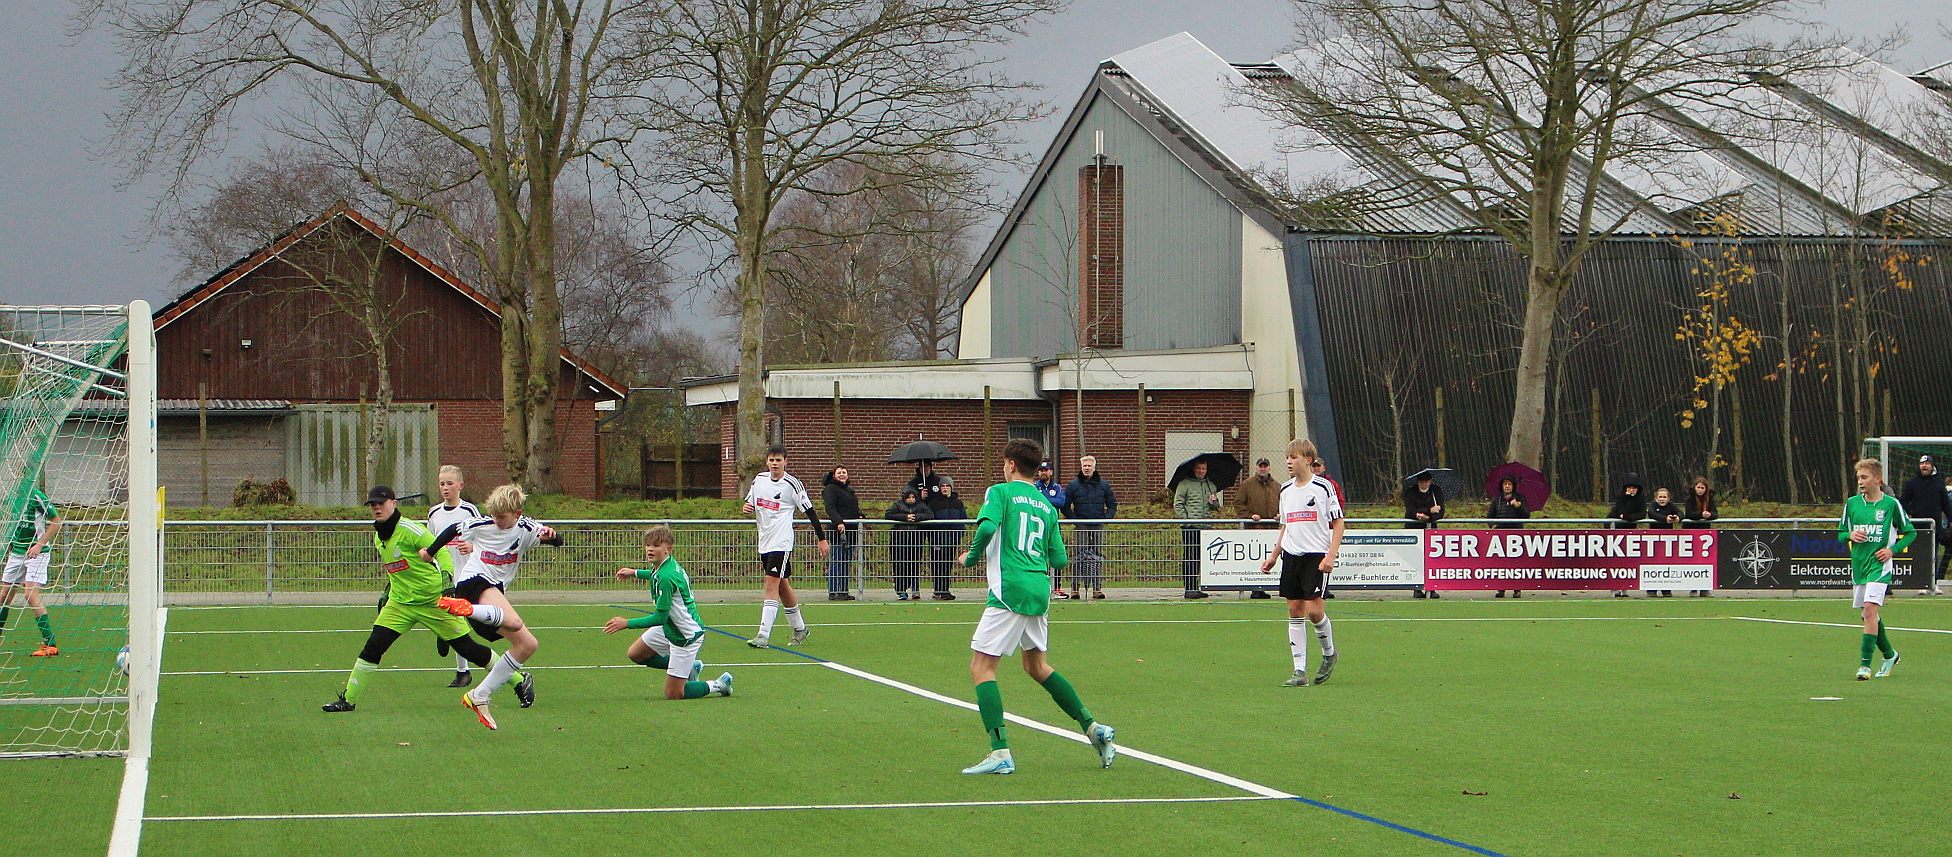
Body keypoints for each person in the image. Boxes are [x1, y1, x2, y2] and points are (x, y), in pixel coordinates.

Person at [956, 437, 1116, 775]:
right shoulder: (1046, 505)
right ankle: (1093, 727)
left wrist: (970, 557)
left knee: (981, 668)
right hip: (1039, 590)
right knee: (1036, 667)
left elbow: (987, 526)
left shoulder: (999, 492)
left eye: (1004, 463)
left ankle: (1000, 751)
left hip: (1010, 590)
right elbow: (1059, 558)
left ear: (1011, 465)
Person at [322, 486, 495, 714]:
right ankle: (348, 699)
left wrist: (446, 579)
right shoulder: (379, 536)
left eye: (381, 503)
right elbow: (397, 569)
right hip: (400, 604)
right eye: (372, 504)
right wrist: (388, 591)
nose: (376, 507)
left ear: (394, 504)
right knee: (373, 647)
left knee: (469, 649)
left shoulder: (410, 530)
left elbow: (441, 552)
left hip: (432, 600)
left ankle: (517, 679)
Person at [436, 484, 562, 730]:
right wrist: (430, 553)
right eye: (494, 515)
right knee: (514, 622)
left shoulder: (527, 528)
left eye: (502, 517)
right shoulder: (484, 525)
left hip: (490, 602)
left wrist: (552, 536)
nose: (496, 521)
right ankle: (464, 608)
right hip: (473, 584)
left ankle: (479, 695)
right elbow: (452, 530)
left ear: (517, 513)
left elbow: (557, 541)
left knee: (527, 645)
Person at [603, 526, 732, 700]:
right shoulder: (665, 565)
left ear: (668, 549)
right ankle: (690, 668)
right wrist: (634, 573)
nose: (650, 549)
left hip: (684, 635)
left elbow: (660, 617)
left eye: (656, 545)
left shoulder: (666, 576)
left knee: (674, 694)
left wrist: (626, 623)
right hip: (670, 627)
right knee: (636, 654)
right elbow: (654, 575)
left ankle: (719, 684)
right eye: (648, 545)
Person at [1257, 439, 1344, 688]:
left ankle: (1329, 653)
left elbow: (1339, 523)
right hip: (1291, 556)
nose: (1288, 461)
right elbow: (1285, 525)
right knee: (1295, 610)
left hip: (1316, 556)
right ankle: (1299, 671)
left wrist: (1331, 555)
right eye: (1287, 457)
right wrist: (1274, 555)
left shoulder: (1323, 487)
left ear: (1308, 460)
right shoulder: (1285, 489)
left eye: (1293, 457)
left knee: (1315, 612)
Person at [741, 447, 829, 648]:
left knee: (771, 584)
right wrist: (747, 507)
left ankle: (763, 635)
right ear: (767, 461)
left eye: (778, 460)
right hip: (764, 541)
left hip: (781, 542)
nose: (775, 463)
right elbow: (750, 503)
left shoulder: (792, 484)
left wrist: (822, 538)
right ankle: (800, 628)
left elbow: (810, 512)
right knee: (781, 584)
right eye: (772, 460)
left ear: (785, 462)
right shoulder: (759, 480)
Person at [1839, 458, 1912, 680]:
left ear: (1877, 479)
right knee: (1867, 615)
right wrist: (1850, 535)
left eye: (1864, 477)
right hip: (1859, 565)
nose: (1860, 481)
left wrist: (1892, 550)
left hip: (1880, 566)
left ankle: (1865, 666)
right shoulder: (1852, 504)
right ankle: (1890, 654)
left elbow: (1910, 532)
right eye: (1858, 477)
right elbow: (1841, 533)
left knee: (1870, 610)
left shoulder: (1891, 505)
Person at [426, 464, 482, 687]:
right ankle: (460, 666)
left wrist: (473, 547)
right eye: (442, 484)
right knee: (451, 620)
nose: (445, 488)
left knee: (458, 619)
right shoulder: (434, 513)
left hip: (465, 574)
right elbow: (429, 542)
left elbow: (484, 537)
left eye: (450, 483)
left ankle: (463, 671)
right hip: (442, 576)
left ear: (460, 486)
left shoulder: (469, 511)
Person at [0, 480, 63, 657]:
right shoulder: (11, 498)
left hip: (37, 553)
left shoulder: (36, 496)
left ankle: (50, 644)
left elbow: (56, 521)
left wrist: (39, 545)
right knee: (4, 595)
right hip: (17, 552)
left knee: (30, 594)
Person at [1062, 455, 1116, 600]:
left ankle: (1097, 589)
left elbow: (1112, 504)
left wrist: (1106, 519)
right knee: (1078, 556)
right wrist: (1075, 521)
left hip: (1097, 525)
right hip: (1081, 526)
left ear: (1094, 467)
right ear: (1081, 467)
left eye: (1089, 466)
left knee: (1097, 556)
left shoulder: (1104, 485)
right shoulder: (1073, 485)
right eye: (1084, 466)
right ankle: (1075, 589)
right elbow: (1065, 506)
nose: (1086, 468)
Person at [1896, 455, 1951, 591]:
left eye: (1927, 463)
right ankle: (1921, 583)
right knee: (1919, 554)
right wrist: (1912, 512)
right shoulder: (1912, 483)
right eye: (1922, 464)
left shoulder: (1939, 483)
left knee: (1934, 555)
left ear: (1932, 466)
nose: (1924, 466)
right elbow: (1903, 501)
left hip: (1934, 526)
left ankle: (1934, 583)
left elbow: (1946, 504)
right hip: (1918, 526)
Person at [1173, 460, 1221, 599]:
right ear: (1194, 469)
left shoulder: (1210, 485)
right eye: (1199, 468)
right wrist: (1186, 520)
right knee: (1190, 557)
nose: (1201, 471)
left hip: (1206, 527)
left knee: (1200, 557)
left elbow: (1216, 507)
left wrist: (1214, 502)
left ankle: (1196, 586)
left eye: (1203, 468)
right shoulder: (1184, 484)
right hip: (1190, 527)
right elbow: (1178, 504)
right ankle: (1189, 587)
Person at [1236, 458, 1281, 601]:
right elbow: (1238, 504)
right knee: (1255, 559)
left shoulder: (1277, 486)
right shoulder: (1247, 485)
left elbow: (1284, 504)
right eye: (1260, 466)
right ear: (1256, 468)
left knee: (1270, 558)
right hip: (1254, 529)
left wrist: (1280, 514)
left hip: (1271, 530)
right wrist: (1250, 516)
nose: (1263, 469)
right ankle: (1256, 588)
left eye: (1265, 466)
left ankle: (1266, 586)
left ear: (1269, 468)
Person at [885, 485, 933, 600]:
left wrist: (917, 517)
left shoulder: (921, 505)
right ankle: (901, 590)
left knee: (914, 564)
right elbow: (888, 515)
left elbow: (930, 515)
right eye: (909, 497)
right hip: (899, 540)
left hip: (915, 540)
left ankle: (915, 589)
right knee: (899, 565)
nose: (911, 499)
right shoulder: (897, 505)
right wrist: (904, 517)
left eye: (913, 497)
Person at [821, 467, 862, 601]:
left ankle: (843, 590)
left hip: (851, 531)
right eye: (839, 472)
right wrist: (839, 522)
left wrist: (860, 516)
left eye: (844, 472)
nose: (842, 474)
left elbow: (852, 508)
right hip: (838, 531)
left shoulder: (849, 490)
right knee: (837, 560)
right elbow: (830, 508)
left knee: (845, 562)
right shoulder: (830, 489)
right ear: (834, 475)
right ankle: (834, 591)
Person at [1402, 472, 1444, 599]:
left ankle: (1432, 588)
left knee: (1431, 558)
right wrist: (1427, 511)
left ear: (1430, 481)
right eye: (1421, 482)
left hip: (1431, 529)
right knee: (1416, 558)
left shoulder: (1436, 491)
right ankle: (1417, 588)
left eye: (1426, 482)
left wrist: (1429, 517)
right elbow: (1410, 511)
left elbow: (1440, 511)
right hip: (1414, 529)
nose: (1424, 484)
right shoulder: (1410, 492)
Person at [1034, 461, 1071, 599]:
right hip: (1037, 526)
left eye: (1046, 470)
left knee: (1055, 555)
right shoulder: (1034, 487)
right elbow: (1033, 501)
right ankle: (1040, 588)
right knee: (1038, 556)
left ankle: (1057, 588)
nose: (1043, 472)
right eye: (1041, 470)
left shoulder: (1057, 487)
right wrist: (1049, 500)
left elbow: (1061, 502)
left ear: (1051, 472)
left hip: (1053, 526)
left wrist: (1043, 499)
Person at [1487, 477, 1528, 598]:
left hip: (1516, 534)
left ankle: (1517, 589)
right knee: (1501, 563)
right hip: (1500, 535)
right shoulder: (1497, 499)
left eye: (1509, 484)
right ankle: (1501, 588)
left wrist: (1518, 506)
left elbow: (1526, 515)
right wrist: (1492, 525)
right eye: (1505, 484)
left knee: (1516, 563)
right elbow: (1490, 516)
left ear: (1513, 486)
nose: (1507, 486)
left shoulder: (1520, 498)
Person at [929, 477, 968, 600]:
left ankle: (944, 589)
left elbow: (962, 520)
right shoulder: (934, 503)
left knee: (947, 564)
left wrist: (959, 535)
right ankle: (939, 589)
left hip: (952, 540)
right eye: (943, 486)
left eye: (947, 486)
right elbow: (930, 521)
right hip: (938, 539)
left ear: (951, 487)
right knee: (937, 564)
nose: (945, 488)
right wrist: (934, 537)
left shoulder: (958, 503)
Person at [1606, 477, 1646, 597]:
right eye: (1629, 487)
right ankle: (1614, 589)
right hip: (1615, 529)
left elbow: (1642, 514)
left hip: (1630, 531)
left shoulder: (1641, 497)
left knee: (1627, 560)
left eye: (1634, 488)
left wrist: (1630, 518)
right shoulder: (1620, 496)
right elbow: (1621, 512)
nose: (1631, 490)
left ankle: (1624, 588)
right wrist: (1628, 500)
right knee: (1615, 559)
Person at [1310, 459, 1344, 599]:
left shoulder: (1331, 485)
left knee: (1326, 555)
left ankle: (1324, 587)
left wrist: (1333, 519)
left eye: (1318, 466)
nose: (1316, 469)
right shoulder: (1306, 484)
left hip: (1328, 527)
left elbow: (1339, 503)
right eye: (1314, 466)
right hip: (1313, 526)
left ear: (1323, 467)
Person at [1643, 487, 1684, 597]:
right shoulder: (1653, 505)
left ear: (1668, 498)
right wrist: (1665, 519)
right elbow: (1652, 514)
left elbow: (1681, 512)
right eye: (1660, 497)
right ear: (1656, 498)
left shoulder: (1671, 506)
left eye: (1664, 497)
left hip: (1668, 539)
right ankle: (1651, 589)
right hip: (1653, 539)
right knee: (1653, 564)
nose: (1662, 499)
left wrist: (1677, 518)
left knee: (1667, 564)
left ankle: (1666, 589)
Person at [1682, 477, 1718, 597]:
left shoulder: (1710, 499)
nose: (1700, 490)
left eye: (1703, 488)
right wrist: (1701, 514)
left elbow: (1716, 513)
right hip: (1691, 533)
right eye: (1698, 487)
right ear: (1695, 488)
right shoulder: (1689, 499)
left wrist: (1710, 515)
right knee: (1692, 561)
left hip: (1705, 534)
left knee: (1704, 561)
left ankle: (1704, 588)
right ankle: (1693, 587)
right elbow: (1689, 514)